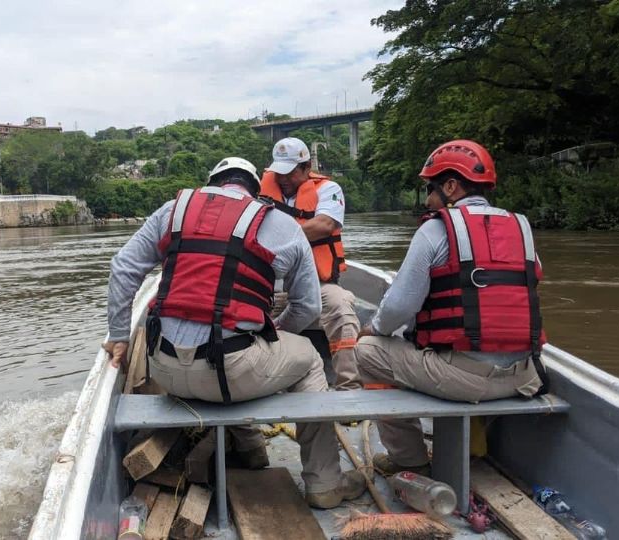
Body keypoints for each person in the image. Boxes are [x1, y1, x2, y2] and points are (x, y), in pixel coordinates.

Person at [103, 157, 365, 509]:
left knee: (238, 354)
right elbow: (308, 309)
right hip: (231, 374)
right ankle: (324, 483)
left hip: (164, 369)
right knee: (307, 359)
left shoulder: (173, 210)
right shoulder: (282, 225)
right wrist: (271, 337)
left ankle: (251, 448)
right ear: (256, 191)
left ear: (211, 183)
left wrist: (120, 335)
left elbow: (122, 268)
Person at [355, 140, 548, 476]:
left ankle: (408, 458)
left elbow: (399, 307)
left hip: (464, 381)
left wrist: (375, 328)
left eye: (430, 189)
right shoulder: (521, 228)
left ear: (451, 186)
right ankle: (477, 449)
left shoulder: (436, 229)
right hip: (525, 376)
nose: (428, 200)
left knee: (368, 350)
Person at [258, 137, 362, 391]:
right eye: (278, 172)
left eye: (290, 172)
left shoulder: (328, 190)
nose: (282, 179)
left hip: (318, 284)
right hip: (269, 287)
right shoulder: (259, 191)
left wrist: (275, 238)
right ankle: (258, 385)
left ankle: (349, 388)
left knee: (341, 308)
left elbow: (324, 225)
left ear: (306, 168)